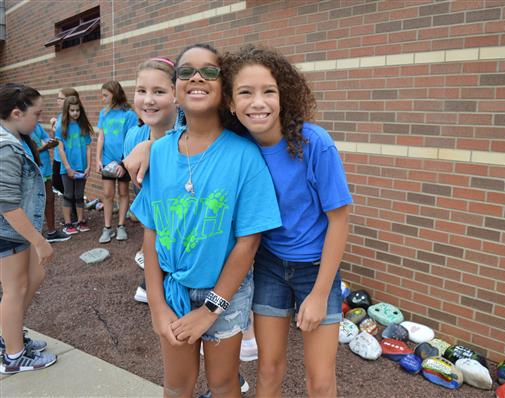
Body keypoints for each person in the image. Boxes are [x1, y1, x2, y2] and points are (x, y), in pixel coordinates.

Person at [129, 43, 281, 398]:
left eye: (209, 71)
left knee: (223, 382)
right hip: (174, 290)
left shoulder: (245, 155)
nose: (197, 77)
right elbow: (151, 231)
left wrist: (211, 309)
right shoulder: (161, 152)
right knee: (177, 384)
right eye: (186, 71)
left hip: (225, 292)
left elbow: (248, 243)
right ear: (176, 89)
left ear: (223, 88)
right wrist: (156, 302)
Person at [221, 45, 352, 397]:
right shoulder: (236, 148)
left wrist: (321, 292)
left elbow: (339, 221)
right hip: (268, 266)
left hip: (316, 269)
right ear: (231, 104)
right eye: (245, 93)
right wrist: (145, 146)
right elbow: (184, 133)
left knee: (320, 380)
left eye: (268, 91)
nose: (258, 102)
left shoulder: (314, 143)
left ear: (283, 95)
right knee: (267, 368)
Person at [0, 83, 57, 374]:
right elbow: (8, 206)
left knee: (35, 275)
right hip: (7, 232)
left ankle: (8, 336)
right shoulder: (6, 147)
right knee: (15, 288)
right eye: (37, 114)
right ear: (16, 113)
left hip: (13, 231)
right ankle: (13, 356)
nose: (40, 120)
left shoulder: (14, 138)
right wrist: (39, 240)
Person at [125, 57, 184, 303]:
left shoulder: (194, 141)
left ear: (176, 95)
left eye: (158, 91)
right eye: (141, 91)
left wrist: (154, 148)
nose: (148, 100)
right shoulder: (133, 139)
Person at [96, 81, 138, 243]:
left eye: (105, 95)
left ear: (115, 94)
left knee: (123, 192)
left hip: (123, 161)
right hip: (107, 160)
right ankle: (107, 228)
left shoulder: (129, 114)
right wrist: (98, 159)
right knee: (107, 194)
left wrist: (124, 162)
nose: (103, 98)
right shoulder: (104, 113)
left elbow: (131, 139)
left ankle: (121, 226)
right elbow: (101, 137)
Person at [55, 96, 94, 234]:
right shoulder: (61, 127)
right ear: (67, 110)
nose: (75, 113)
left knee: (79, 195)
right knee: (68, 195)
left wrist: (89, 166)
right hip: (67, 168)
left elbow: (89, 147)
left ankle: (81, 221)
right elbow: (60, 149)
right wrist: (67, 168)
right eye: (72, 110)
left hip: (82, 168)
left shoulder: (83, 127)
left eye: (77, 110)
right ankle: (68, 223)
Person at [27, 123, 71, 243]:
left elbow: (45, 138)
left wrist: (51, 141)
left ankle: (52, 232)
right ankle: (36, 236)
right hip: (32, 168)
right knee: (34, 201)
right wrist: (43, 148)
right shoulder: (20, 128)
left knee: (49, 198)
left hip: (44, 166)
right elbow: (26, 150)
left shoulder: (36, 125)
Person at [50, 88, 80, 229]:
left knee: (67, 186)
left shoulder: (71, 118)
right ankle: (73, 209)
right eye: (57, 98)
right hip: (58, 156)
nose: (58, 101)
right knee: (57, 183)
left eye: (61, 98)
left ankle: (74, 213)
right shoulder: (60, 116)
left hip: (65, 159)